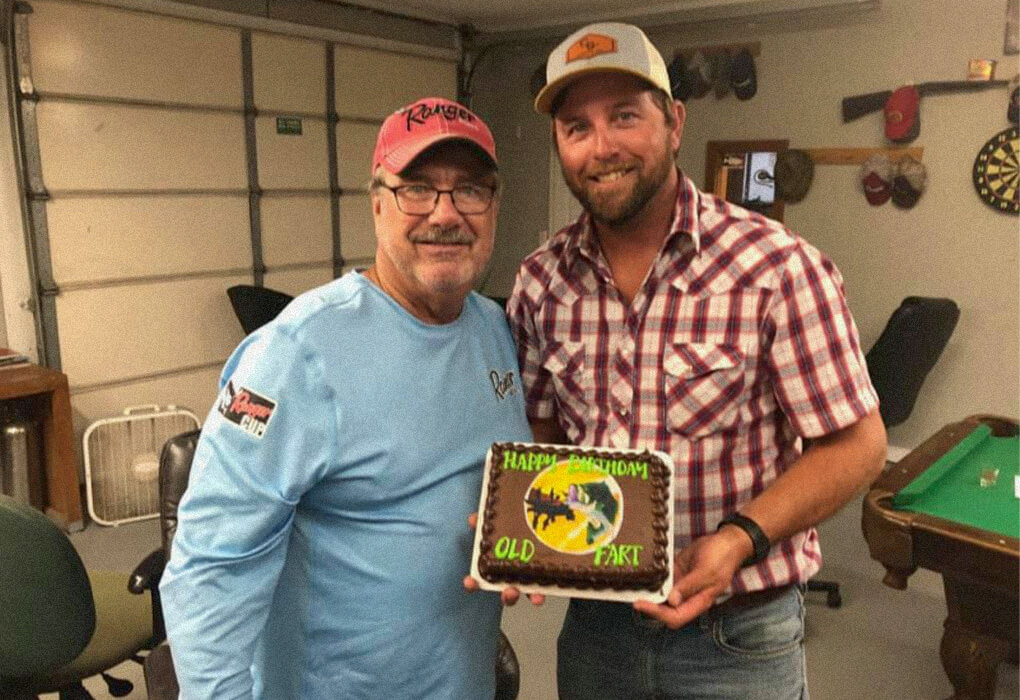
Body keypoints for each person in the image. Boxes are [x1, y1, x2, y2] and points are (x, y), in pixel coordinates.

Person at [507, 22, 887, 699]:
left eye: (625, 116)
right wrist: (526, 530)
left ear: (674, 122)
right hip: (597, 629)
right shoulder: (540, 282)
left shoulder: (776, 267)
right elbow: (544, 439)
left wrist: (739, 539)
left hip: (737, 635)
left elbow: (857, 444)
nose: (603, 147)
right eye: (577, 127)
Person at [160, 97, 531, 699]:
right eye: (416, 188)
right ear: (378, 203)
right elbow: (211, 565)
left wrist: (524, 546)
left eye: (470, 189)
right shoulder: (296, 353)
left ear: (493, 205)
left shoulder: (493, 330)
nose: (445, 213)